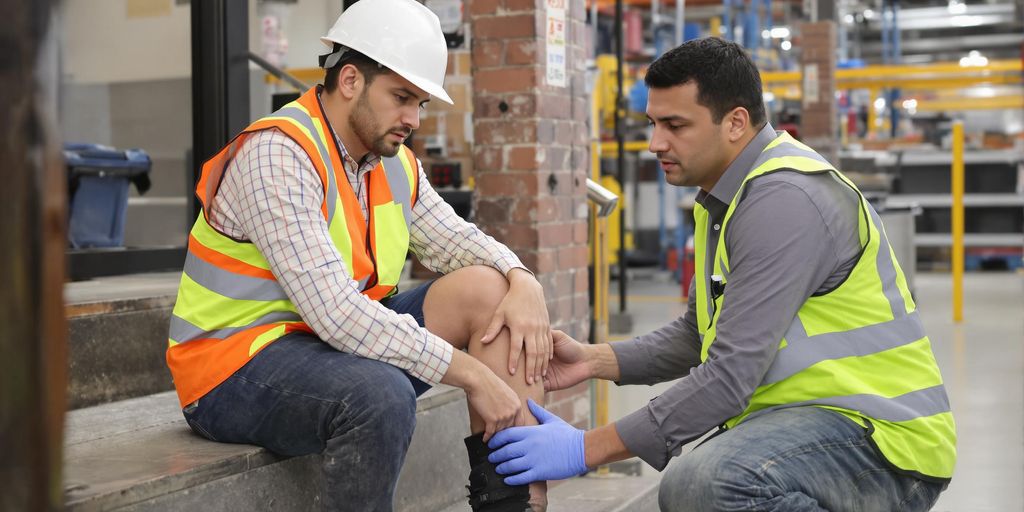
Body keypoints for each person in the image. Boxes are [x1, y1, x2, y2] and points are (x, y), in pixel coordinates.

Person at [487, 37, 956, 512]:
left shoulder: (784, 200)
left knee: (707, 485)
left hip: (880, 439)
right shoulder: (726, 199)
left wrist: (586, 448)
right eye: (653, 124)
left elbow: (730, 376)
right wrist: (595, 360)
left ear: (735, 122)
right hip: (816, 423)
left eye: (675, 126)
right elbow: (699, 335)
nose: (655, 144)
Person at [166, 1, 551, 510]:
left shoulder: (391, 162)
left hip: (328, 349)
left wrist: (524, 280)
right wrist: (473, 375)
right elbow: (336, 313)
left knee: (490, 291)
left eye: (421, 104)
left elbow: (459, 242)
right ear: (350, 79)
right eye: (401, 98)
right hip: (234, 367)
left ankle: (512, 504)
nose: (413, 118)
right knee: (379, 395)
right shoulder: (278, 154)